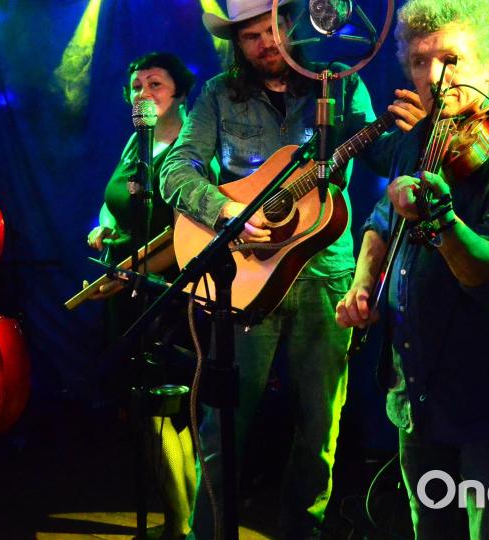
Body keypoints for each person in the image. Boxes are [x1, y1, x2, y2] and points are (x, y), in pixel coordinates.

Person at [159, 0, 423, 537]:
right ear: (238, 43)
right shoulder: (215, 94)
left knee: (318, 429)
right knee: (223, 423)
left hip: (324, 276)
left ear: (291, 26)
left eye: (272, 29)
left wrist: (408, 135)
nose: (266, 44)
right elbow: (176, 167)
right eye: (252, 37)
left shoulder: (343, 88)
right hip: (244, 278)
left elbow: (383, 158)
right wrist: (223, 209)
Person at [334, 0, 489, 538]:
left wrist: (441, 219)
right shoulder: (413, 142)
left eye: (451, 60)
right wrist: (363, 285)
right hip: (417, 394)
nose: (434, 77)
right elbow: (379, 221)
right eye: (419, 62)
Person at [85, 52, 199, 539]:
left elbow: (188, 235)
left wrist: (133, 275)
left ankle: (180, 525)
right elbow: (113, 204)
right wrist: (102, 227)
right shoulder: (138, 141)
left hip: (171, 291)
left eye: (155, 84)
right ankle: (183, 521)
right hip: (126, 286)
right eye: (136, 86)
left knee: (167, 408)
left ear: (178, 93)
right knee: (145, 406)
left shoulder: (195, 146)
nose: (143, 93)